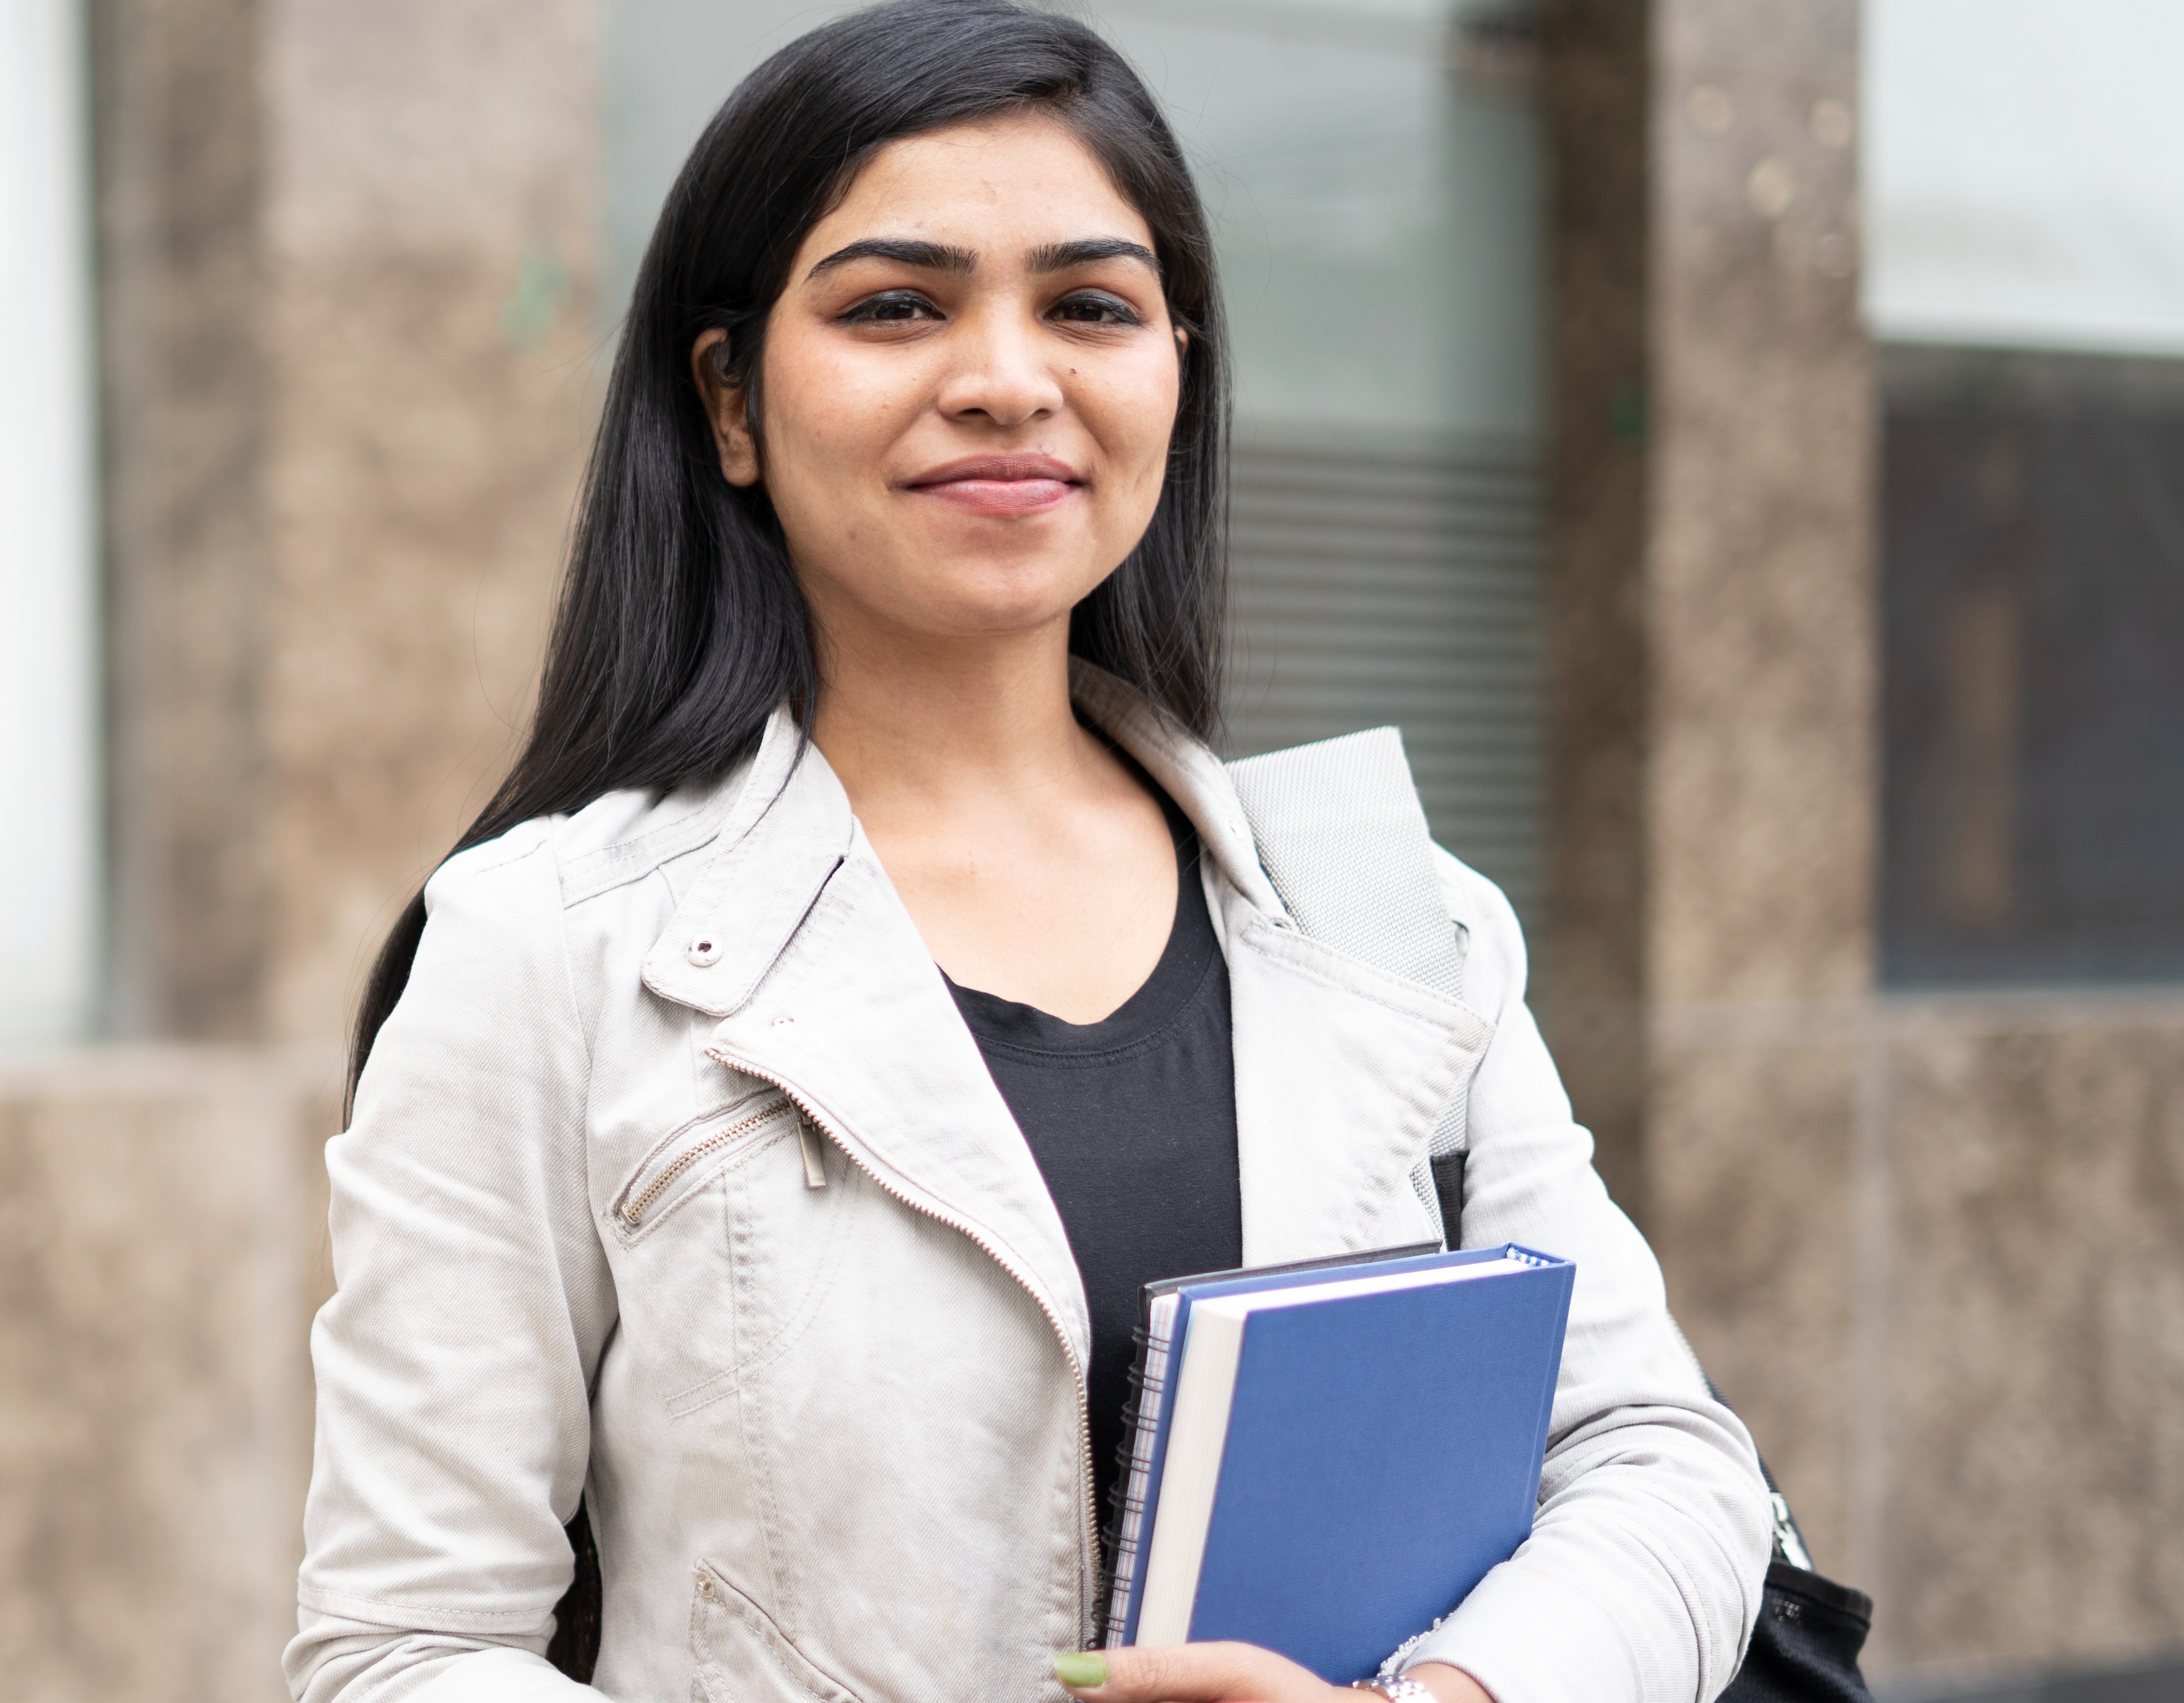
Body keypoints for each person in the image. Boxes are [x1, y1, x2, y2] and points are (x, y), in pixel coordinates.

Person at [283, 4, 1772, 1701]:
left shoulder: (1394, 917)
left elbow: (1662, 1460)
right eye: (896, 306)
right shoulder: (549, 948)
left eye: (1090, 306)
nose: (1007, 379)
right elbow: (405, 1648)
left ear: (1176, 376)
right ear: (731, 401)